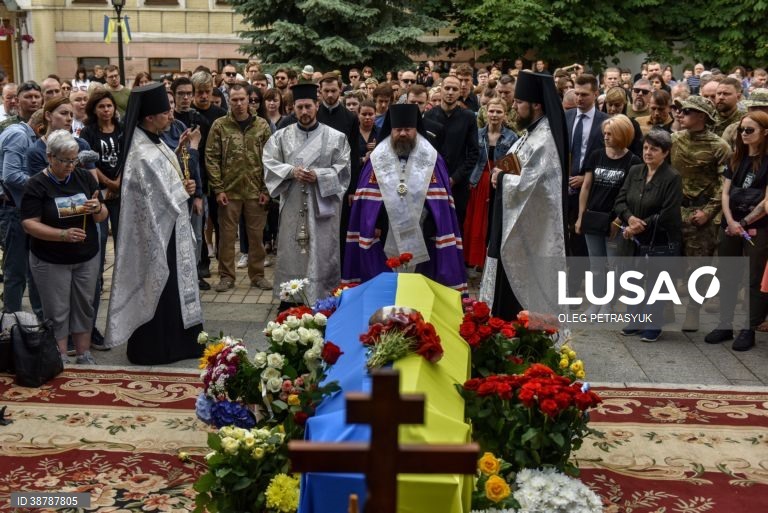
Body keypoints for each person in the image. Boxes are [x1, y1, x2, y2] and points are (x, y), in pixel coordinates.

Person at [104, 83, 203, 365]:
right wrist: (189, 167)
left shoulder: (154, 141)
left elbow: (168, 179)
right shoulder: (140, 152)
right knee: (162, 289)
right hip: (158, 233)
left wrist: (183, 167)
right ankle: (159, 348)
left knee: (174, 287)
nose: (171, 116)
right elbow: (161, 196)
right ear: (149, 117)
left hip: (168, 229)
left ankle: (181, 343)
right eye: (165, 112)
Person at [343, 104, 467, 291]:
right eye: (398, 129)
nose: (402, 134)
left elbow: (440, 201)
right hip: (385, 230)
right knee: (387, 280)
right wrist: (376, 223)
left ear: (416, 130)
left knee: (420, 282)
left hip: (423, 228)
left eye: (408, 129)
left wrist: (434, 225)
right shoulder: (377, 158)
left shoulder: (431, 157)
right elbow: (368, 201)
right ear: (391, 130)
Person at [482, 71, 569, 319]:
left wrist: (502, 178)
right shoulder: (532, 132)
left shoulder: (545, 139)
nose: (514, 106)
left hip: (531, 230)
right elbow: (515, 161)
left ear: (536, 105)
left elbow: (531, 184)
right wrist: (500, 171)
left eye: (519, 102)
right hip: (514, 222)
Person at [21, 130, 108, 365]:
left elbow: (102, 216)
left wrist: (97, 208)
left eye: (74, 160)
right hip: (51, 258)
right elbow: (29, 224)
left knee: (84, 306)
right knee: (56, 310)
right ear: (50, 157)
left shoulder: (84, 177)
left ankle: (83, 353)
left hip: (86, 255)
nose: (71, 165)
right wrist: (62, 235)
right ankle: (58, 357)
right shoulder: (36, 184)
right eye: (65, 160)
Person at [262, 83, 351, 307]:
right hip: (292, 204)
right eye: (299, 107)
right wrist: (291, 171)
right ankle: (291, 301)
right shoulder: (281, 137)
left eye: (308, 106)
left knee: (323, 251)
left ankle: (324, 299)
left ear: (317, 106)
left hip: (323, 209)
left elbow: (344, 170)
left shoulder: (336, 138)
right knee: (293, 252)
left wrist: (318, 175)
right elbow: (269, 163)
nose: (304, 112)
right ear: (293, 108)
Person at [614, 130, 683, 342]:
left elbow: (668, 212)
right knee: (633, 280)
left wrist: (638, 226)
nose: (648, 152)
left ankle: (653, 324)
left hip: (659, 238)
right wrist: (629, 218)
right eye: (645, 147)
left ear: (666, 152)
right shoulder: (635, 170)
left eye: (654, 149)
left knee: (656, 283)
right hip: (633, 238)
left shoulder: (672, 177)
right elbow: (620, 201)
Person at [707, 112, 768, 351]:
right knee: (727, 275)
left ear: (765, 132)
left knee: (753, 279)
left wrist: (742, 223)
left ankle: (749, 328)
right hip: (730, 224)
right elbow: (725, 192)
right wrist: (731, 221)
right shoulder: (735, 158)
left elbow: (765, 202)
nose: (744, 134)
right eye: (742, 129)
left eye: (750, 130)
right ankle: (725, 324)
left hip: (757, 228)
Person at [670, 96, 731, 331]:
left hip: (701, 213)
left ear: (701, 116)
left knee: (700, 266)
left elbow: (724, 184)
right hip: (675, 209)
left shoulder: (719, 146)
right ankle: (665, 305)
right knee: (669, 260)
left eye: (687, 111)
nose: (681, 114)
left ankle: (693, 310)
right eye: (680, 110)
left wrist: (708, 212)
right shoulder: (674, 140)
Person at [205, 82, 273, 292]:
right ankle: (226, 276)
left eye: (242, 99)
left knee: (256, 237)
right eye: (234, 100)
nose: (239, 104)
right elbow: (211, 157)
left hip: (255, 192)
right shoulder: (220, 125)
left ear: (249, 99)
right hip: (229, 192)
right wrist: (218, 189)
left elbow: (271, 158)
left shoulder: (261, 125)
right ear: (229, 100)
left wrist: (266, 190)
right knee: (226, 238)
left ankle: (258, 275)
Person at [575, 115, 641, 314]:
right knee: (595, 264)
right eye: (604, 133)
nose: (605, 137)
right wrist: (581, 216)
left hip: (616, 220)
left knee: (613, 265)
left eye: (610, 134)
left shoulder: (633, 161)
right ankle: (595, 301)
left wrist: (619, 220)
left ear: (622, 134)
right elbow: (586, 186)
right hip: (593, 217)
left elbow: (631, 196)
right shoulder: (596, 155)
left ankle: (608, 304)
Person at [464, 98, 517, 269]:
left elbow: (513, 165)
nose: (494, 115)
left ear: (505, 115)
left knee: (492, 221)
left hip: (498, 182)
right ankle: (473, 260)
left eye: (498, 111)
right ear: (486, 113)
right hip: (478, 181)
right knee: (475, 221)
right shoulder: (477, 133)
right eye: (491, 111)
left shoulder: (512, 137)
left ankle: (488, 262)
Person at [423, 75, 479, 230]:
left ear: (460, 92)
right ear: (441, 89)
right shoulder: (429, 116)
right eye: (447, 88)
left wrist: (455, 178)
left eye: (454, 89)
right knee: (431, 228)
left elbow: (474, 152)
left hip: (458, 184)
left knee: (455, 227)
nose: (450, 92)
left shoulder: (468, 117)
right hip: (432, 182)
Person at [358, 99, 378, 166]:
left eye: (370, 114)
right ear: (358, 115)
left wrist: (378, 148)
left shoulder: (381, 132)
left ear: (375, 115)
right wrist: (363, 159)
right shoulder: (352, 133)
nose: (367, 117)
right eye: (364, 114)